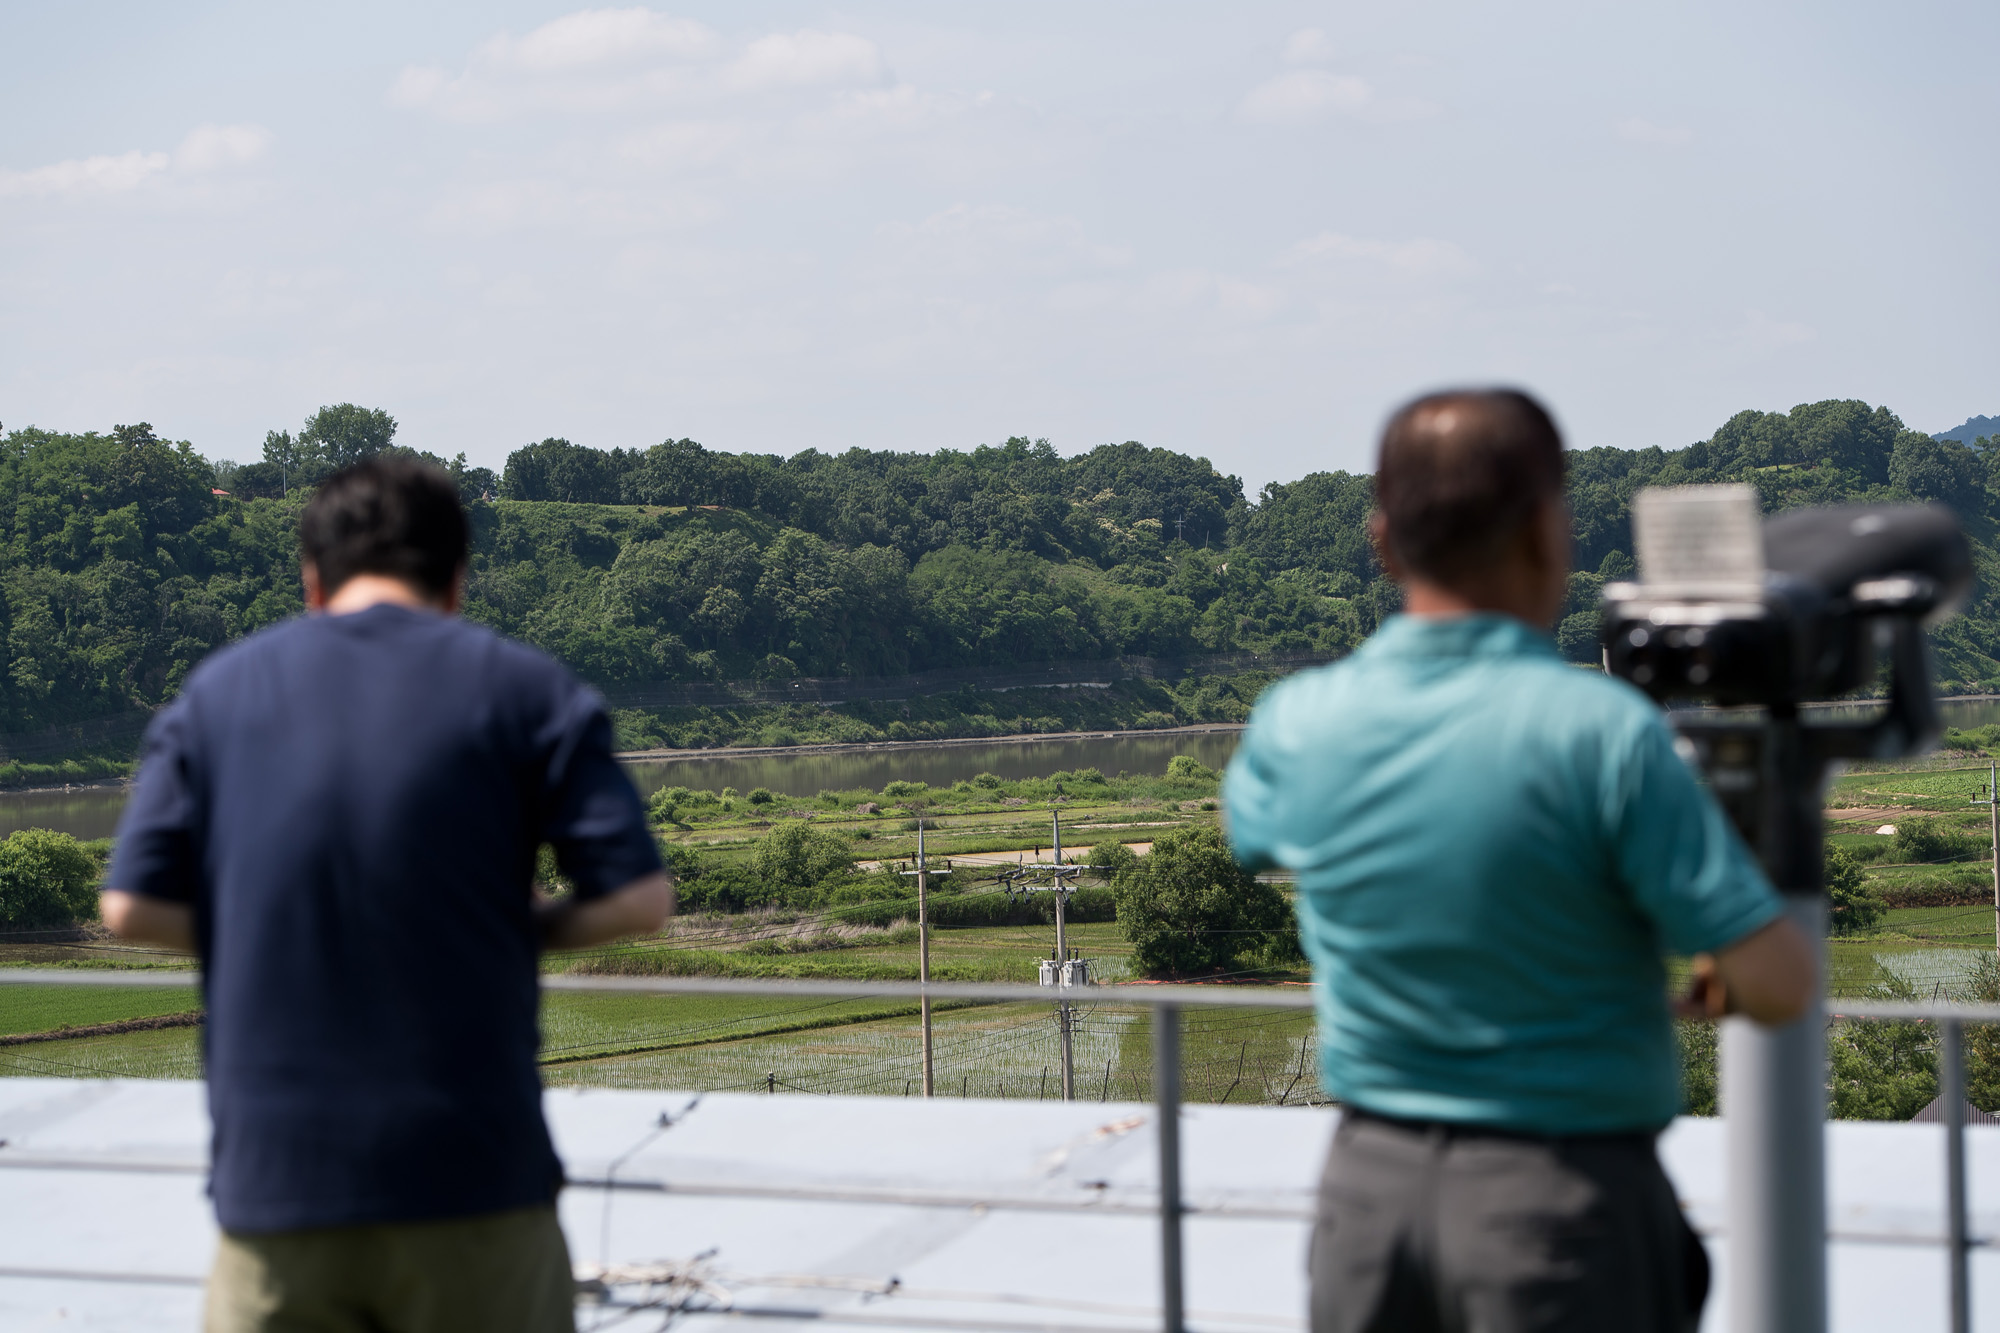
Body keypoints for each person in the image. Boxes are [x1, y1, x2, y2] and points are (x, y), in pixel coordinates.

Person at [1222, 389, 1815, 1333]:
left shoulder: (1296, 722)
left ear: (1382, 541)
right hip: (1561, 1196)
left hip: (1366, 1201)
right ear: (1550, 531)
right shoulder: (1605, 733)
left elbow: (1257, 836)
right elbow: (1780, 983)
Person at [101, 457, 674, 1333]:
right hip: (475, 1180)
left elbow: (129, 906)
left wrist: (277, 928)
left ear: (311, 579)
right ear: (455, 580)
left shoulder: (218, 695)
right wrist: (511, 927)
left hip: (277, 1190)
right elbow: (638, 899)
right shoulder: (526, 690)